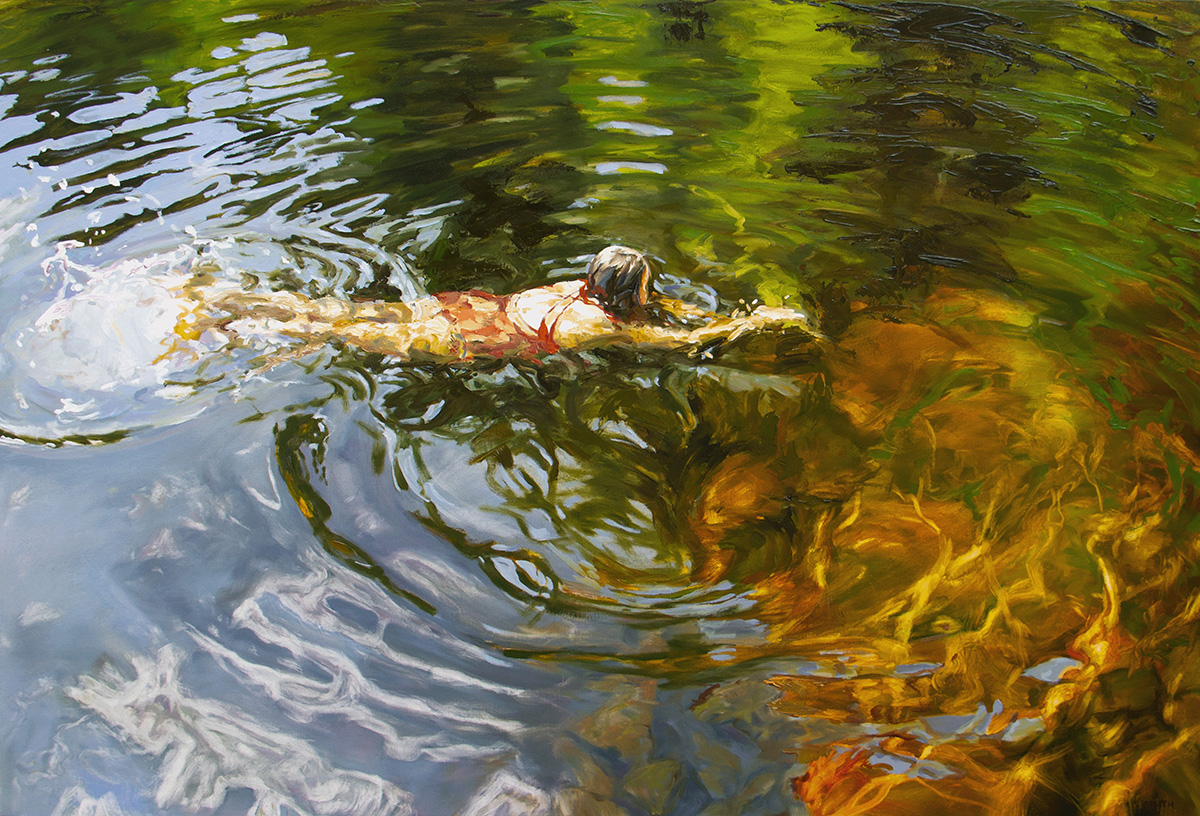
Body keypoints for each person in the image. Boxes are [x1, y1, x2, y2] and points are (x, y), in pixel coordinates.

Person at [180, 246, 821, 362]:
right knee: (344, 335)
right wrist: (754, 321)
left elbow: (665, 313)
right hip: (471, 342)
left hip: (465, 308)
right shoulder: (596, 328)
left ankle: (232, 298)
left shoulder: (571, 290)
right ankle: (227, 321)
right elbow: (677, 342)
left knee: (348, 312)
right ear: (631, 295)